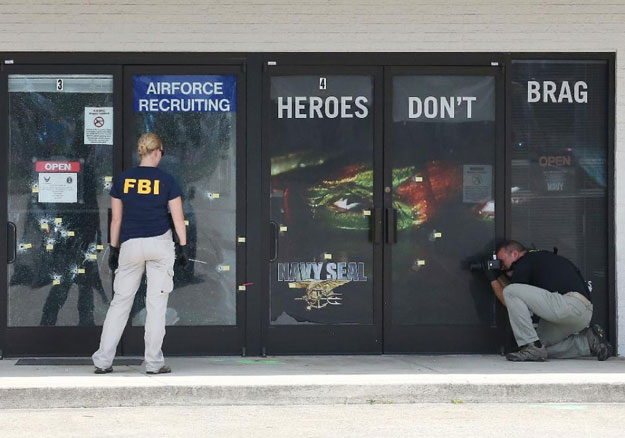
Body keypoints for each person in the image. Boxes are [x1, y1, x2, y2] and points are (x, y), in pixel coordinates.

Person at [92, 133, 189, 374]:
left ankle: (103, 361)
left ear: (141, 152)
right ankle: (154, 363)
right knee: (156, 305)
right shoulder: (167, 181)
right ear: (157, 152)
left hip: (131, 244)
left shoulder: (123, 180)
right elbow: (178, 220)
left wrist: (113, 249)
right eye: (162, 153)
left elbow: (116, 220)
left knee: (120, 303)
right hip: (160, 244)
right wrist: (183, 247)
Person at [488, 240, 612, 362]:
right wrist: (499, 276)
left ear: (515, 254)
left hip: (569, 304)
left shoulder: (525, 261)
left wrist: (493, 278)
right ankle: (588, 342)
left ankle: (530, 346)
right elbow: (517, 294)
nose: (502, 267)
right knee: (539, 345)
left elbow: (509, 297)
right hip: (583, 313)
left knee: (510, 292)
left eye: (502, 262)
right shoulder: (540, 260)